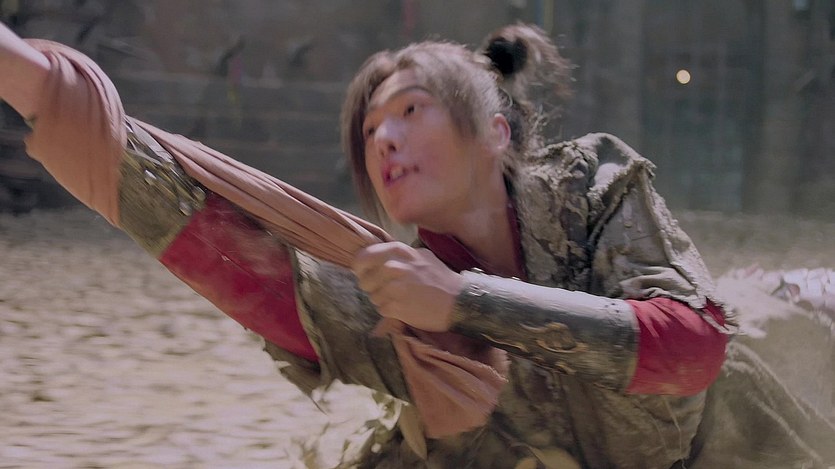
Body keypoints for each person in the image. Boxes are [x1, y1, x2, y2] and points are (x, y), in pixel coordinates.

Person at [1, 20, 833, 469]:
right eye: (370, 128)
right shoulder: (389, 299)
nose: (383, 139)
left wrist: (466, 300)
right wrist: (43, 90)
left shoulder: (589, 183)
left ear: (494, 132)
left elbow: (689, 348)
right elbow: (238, 258)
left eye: (408, 110)